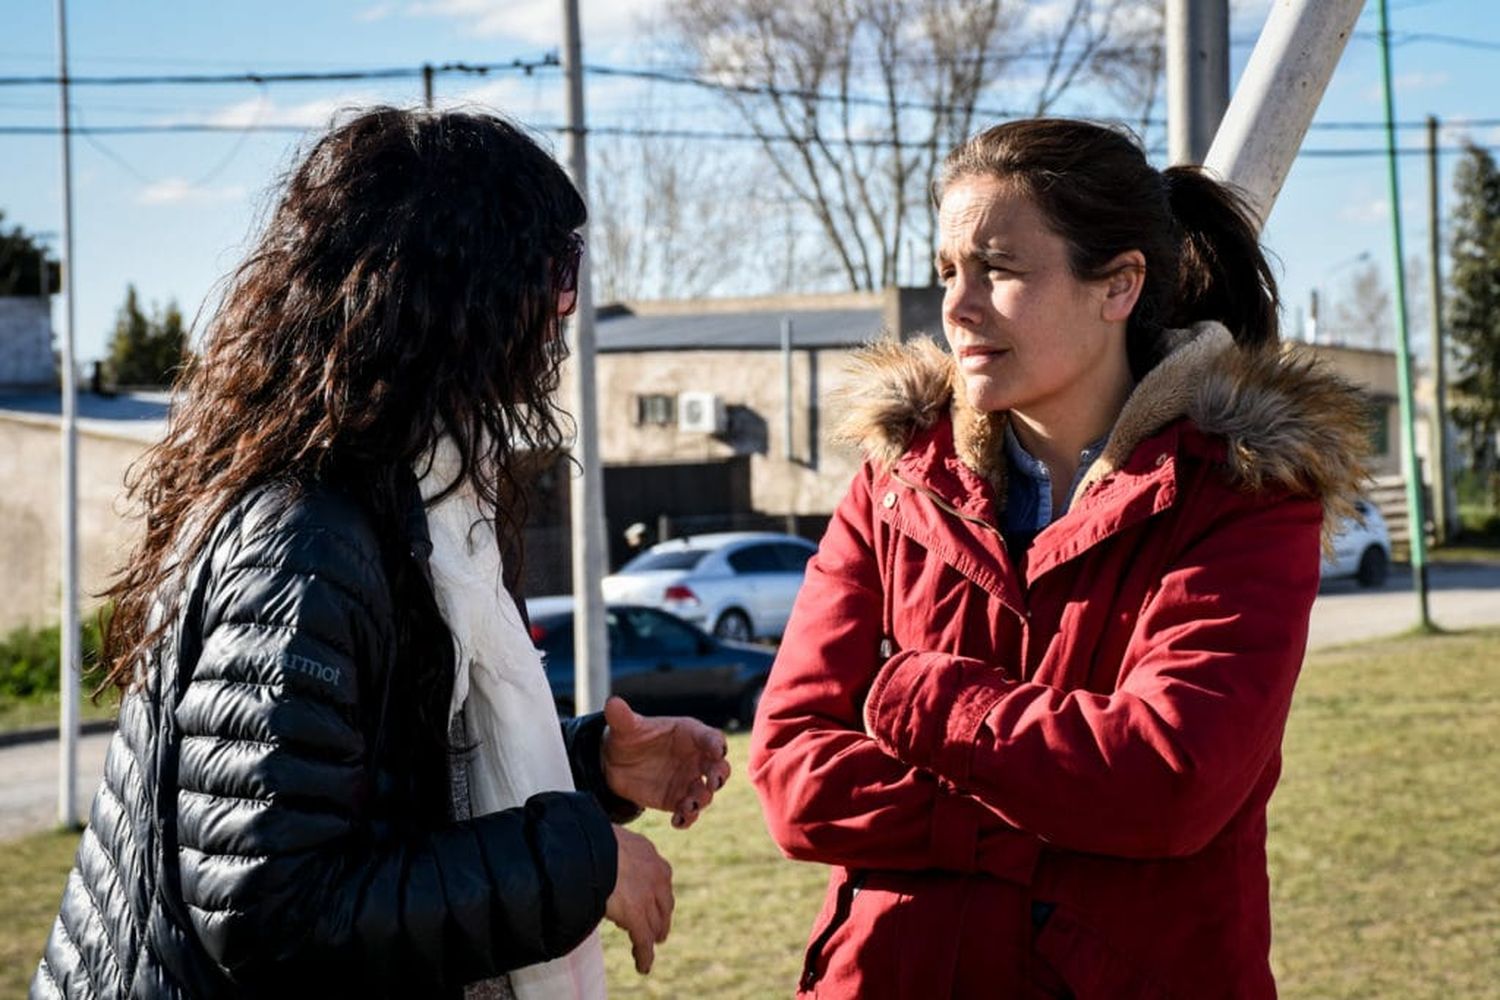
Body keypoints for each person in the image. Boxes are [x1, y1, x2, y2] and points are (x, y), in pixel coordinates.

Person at [33, 107, 731, 1000]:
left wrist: (587, 770)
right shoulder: (308, 540)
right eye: (552, 271)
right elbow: (269, 904)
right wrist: (579, 863)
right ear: (454, 293)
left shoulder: (402, 506)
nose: (564, 313)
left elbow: (378, 786)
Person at [750, 118, 1371, 998]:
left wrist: (909, 693)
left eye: (999, 270)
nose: (959, 309)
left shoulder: (1241, 492)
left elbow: (1166, 782)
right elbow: (793, 779)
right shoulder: (895, 482)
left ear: (1118, 285)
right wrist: (1059, 813)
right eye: (948, 273)